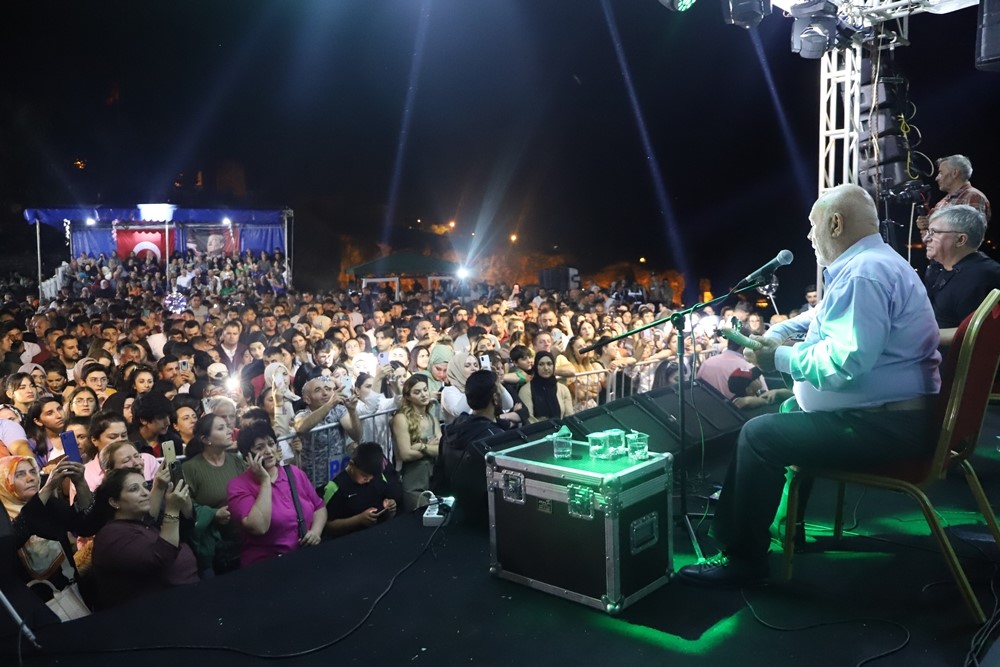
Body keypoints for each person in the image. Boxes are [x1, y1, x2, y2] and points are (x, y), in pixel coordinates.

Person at [678, 184, 941, 586]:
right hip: (893, 419)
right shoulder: (874, 263)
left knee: (759, 435)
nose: (809, 235)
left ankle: (743, 560)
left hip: (885, 428)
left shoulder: (865, 274)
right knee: (788, 411)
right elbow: (819, 318)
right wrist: (778, 332)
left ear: (835, 223)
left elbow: (845, 363)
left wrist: (777, 357)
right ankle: (788, 528)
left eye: (812, 225)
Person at [91, 468, 198, 609]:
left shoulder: (141, 524)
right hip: (153, 613)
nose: (146, 493)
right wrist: (172, 509)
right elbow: (161, 558)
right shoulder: (111, 536)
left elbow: (187, 524)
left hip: (182, 600)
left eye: (145, 486)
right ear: (114, 502)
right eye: (134, 489)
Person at [227, 421, 326, 567]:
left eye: (271, 444)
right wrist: (265, 481)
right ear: (247, 455)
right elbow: (259, 527)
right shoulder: (238, 486)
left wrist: (315, 532)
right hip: (267, 565)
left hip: (303, 556)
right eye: (259, 448)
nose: (268, 451)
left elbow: (319, 507)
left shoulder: (294, 473)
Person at [1, 457, 94, 602]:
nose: (30, 478)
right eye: (20, 474)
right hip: (33, 601)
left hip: (72, 591)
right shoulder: (3, 519)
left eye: (33, 471)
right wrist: (48, 488)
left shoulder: (49, 505)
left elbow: (86, 527)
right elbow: (17, 534)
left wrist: (80, 482)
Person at [922, 205, 1000, 345]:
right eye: (928, 231)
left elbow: (982, 333)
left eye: (934, 232)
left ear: (960, 240)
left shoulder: (983, 276)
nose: (926, 238)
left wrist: (922, 336)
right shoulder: (937, 269)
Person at [181, 414, 247, 575]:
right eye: (221, 428)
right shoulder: (191, 468)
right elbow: (185, 505)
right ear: (205, 439)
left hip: (243, 537)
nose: (229, 431)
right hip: (212, 546)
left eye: (227, 426)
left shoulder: (236, 460)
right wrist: (213, 514)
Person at [293, 377, 361, 492]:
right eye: (317, 390)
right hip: (315, 479)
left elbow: (357, 435)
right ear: (307, 399)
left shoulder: (338, 410)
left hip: (338, 474)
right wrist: (330, 404)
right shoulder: (302, 414)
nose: (325, 393)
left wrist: (352, 411)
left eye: (327, 389)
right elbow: (301, 427)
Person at [323, 442, 400, 537]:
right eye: (364, 476)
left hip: (379, 532)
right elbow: (327, 526)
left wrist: (390, 506)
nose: (368, 480)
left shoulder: (377, 477)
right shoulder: (335, 487)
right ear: (351, 464)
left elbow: (385, 499)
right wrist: (358, 520)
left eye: (371, 477)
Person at [391, 375, 441, 512]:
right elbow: (406, 454)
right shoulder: (401, 418)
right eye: (417, 392)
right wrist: (430, 448)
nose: (424, 394)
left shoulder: (432, 418)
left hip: (434, 479)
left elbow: (441, 449)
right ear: (408, 397)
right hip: (413, 482)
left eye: (425, 390)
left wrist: (421, 446)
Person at [916, 154, 991, 233]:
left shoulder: (973, 196)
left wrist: (936, 227)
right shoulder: (942, 202)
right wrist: (926, 226)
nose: (936, 178)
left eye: (941, 173)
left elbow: (972, 233)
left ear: (955, 173)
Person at [518, 351, 573, 423]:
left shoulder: (563, 389)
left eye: (549, 364)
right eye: (541, 364)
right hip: (539, 429)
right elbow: (529, 419)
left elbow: (569, 416)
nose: (546, 368)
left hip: (562, 428)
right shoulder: (526, 391)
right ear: (536, 367)